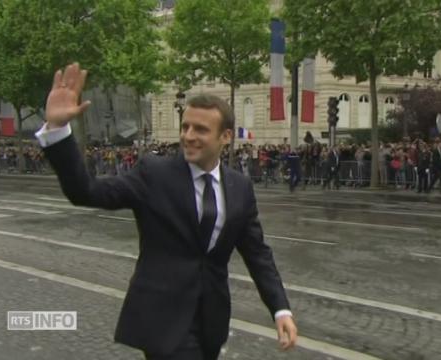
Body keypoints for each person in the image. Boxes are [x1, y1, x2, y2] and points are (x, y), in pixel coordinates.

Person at [36, 63, 297, 360]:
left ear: (226, 136)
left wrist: (280, 309)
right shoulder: (153, 173)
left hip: (210, 320)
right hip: (162, 320)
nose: (188, 136)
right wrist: (57, 130)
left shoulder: (240, 187)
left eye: (200, 129)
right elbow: (86, 191)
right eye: (185, 127)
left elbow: (257, 254)